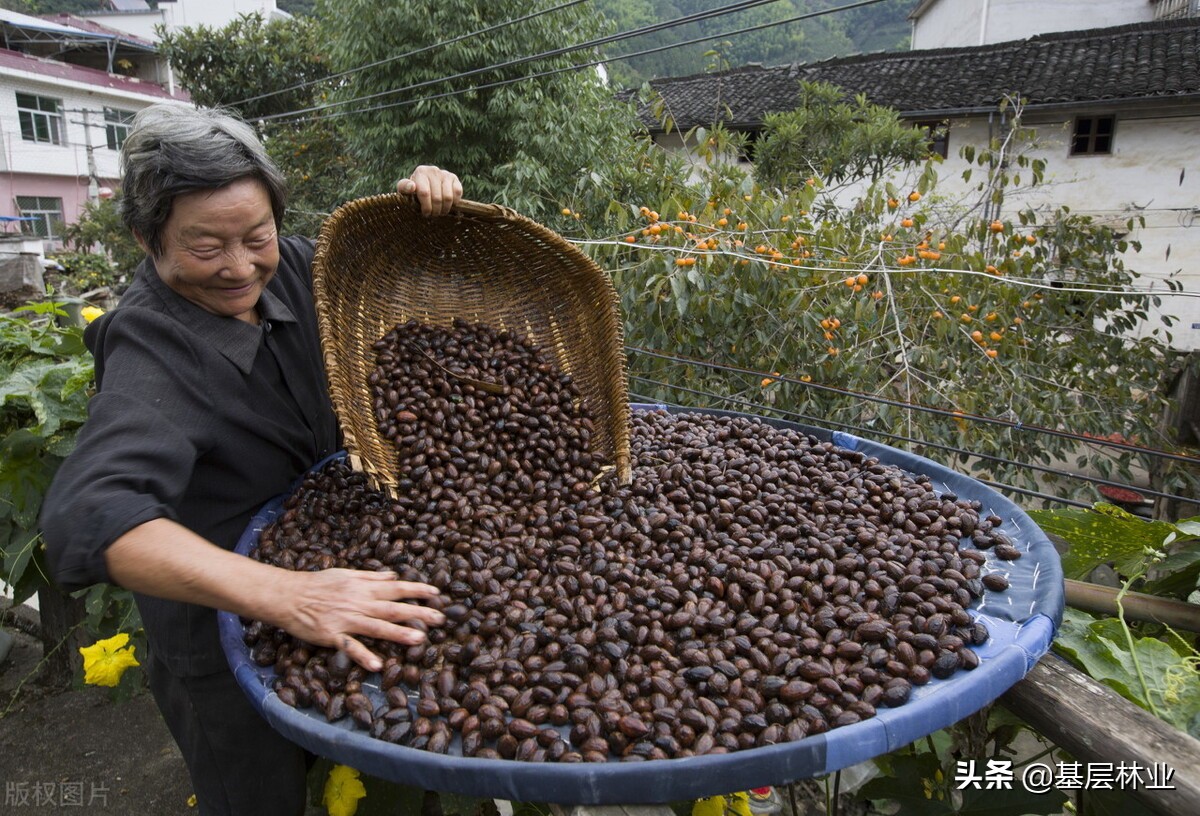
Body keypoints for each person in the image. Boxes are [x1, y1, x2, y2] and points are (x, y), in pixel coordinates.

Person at [40, 103, 464, 815]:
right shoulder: (150, 347)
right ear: (145, 237)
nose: (240, 268)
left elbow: (382, 271)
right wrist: (289, 596)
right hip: (222, 633)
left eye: (256, 236)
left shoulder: (294, 267)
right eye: (206, 247)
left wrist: (422, 204)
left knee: (395, 761)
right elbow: (88, 516)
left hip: (341, 585)